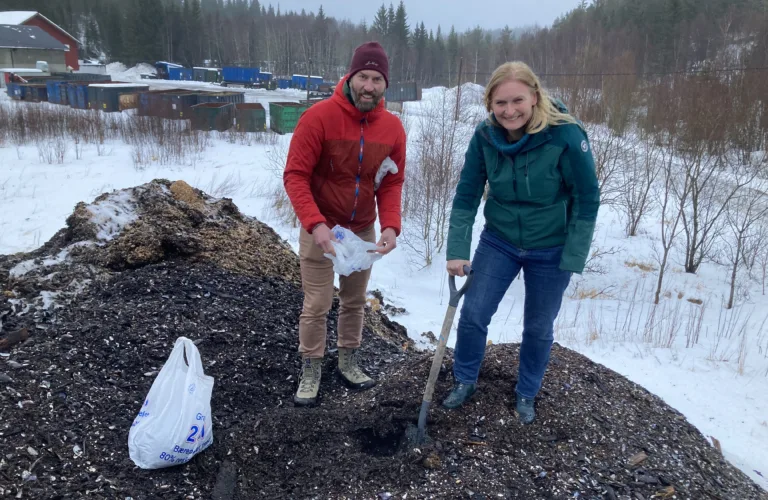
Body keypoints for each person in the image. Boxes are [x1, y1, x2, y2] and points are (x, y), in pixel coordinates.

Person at [442, 61, 599, 424]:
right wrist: (456, 251)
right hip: (500, 240)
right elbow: (467, 194)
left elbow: (587, 197)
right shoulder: (484, 136)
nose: (509, 111)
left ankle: (526, 392)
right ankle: (465, 380)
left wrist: (574, 254)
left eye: (517, 101)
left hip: (551, 246)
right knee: (474, 314)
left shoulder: (565, 135)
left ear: (535, 97)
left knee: (538, 326)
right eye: (500, 103)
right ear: (489, 105)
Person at [283, 41, 406, 406]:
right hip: (320, 228)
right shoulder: (319, 117)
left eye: (377, 79)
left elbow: (392, 180)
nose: (369, 86)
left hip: (362, 230)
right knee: (318, 303)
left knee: (354, 301)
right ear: (351, 76)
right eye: (363, 77)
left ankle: (348, 359)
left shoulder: (392, 128)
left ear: (386, 84)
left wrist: (390, 226)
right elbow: (295, 176)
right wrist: (315, 225)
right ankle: (311, 366)